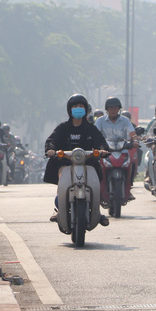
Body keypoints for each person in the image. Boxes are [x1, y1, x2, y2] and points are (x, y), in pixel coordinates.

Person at [44, 94, 110, 225]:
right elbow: (52, 140)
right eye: (75, 106)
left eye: (81, 106)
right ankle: (59, 210)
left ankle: (97, 211)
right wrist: (51, 149)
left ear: (85, 109)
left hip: (88, 162)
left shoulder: (91, 128)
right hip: (66, 162)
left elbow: (100, 141)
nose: (78, 109)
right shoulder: (63, 127)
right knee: (62, 176)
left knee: (96, 180)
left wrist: (103, 150)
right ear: (70, 110)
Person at [95, 96, 138, 201]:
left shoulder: (125, 120)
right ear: (107, 109)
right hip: (105, 152)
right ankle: (97, 189)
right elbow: (95, 133)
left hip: (122, 150)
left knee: (131, 164)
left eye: (115, 108)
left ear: (119, 109)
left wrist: (135, 140)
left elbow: (132, 132)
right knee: (96, 166)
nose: (113, 110)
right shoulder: (100, 121)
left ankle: (129, 188)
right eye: (110, 108)